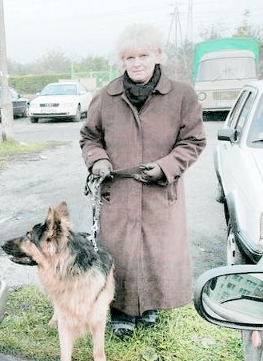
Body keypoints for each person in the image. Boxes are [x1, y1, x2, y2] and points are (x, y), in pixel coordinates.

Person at [79, 23, 207, 340]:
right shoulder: (106, 97)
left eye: (143, 55)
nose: (136, 63)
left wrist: (165, 167)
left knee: (154, 251)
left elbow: (193, 142)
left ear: (158, 55)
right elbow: (89, 138)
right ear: (122, 61)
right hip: (117, 194)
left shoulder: (182, 96)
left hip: (160, 194)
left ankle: (149, 306)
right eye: (129, 57)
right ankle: (121, 311)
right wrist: (99, 161)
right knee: (118, 253)